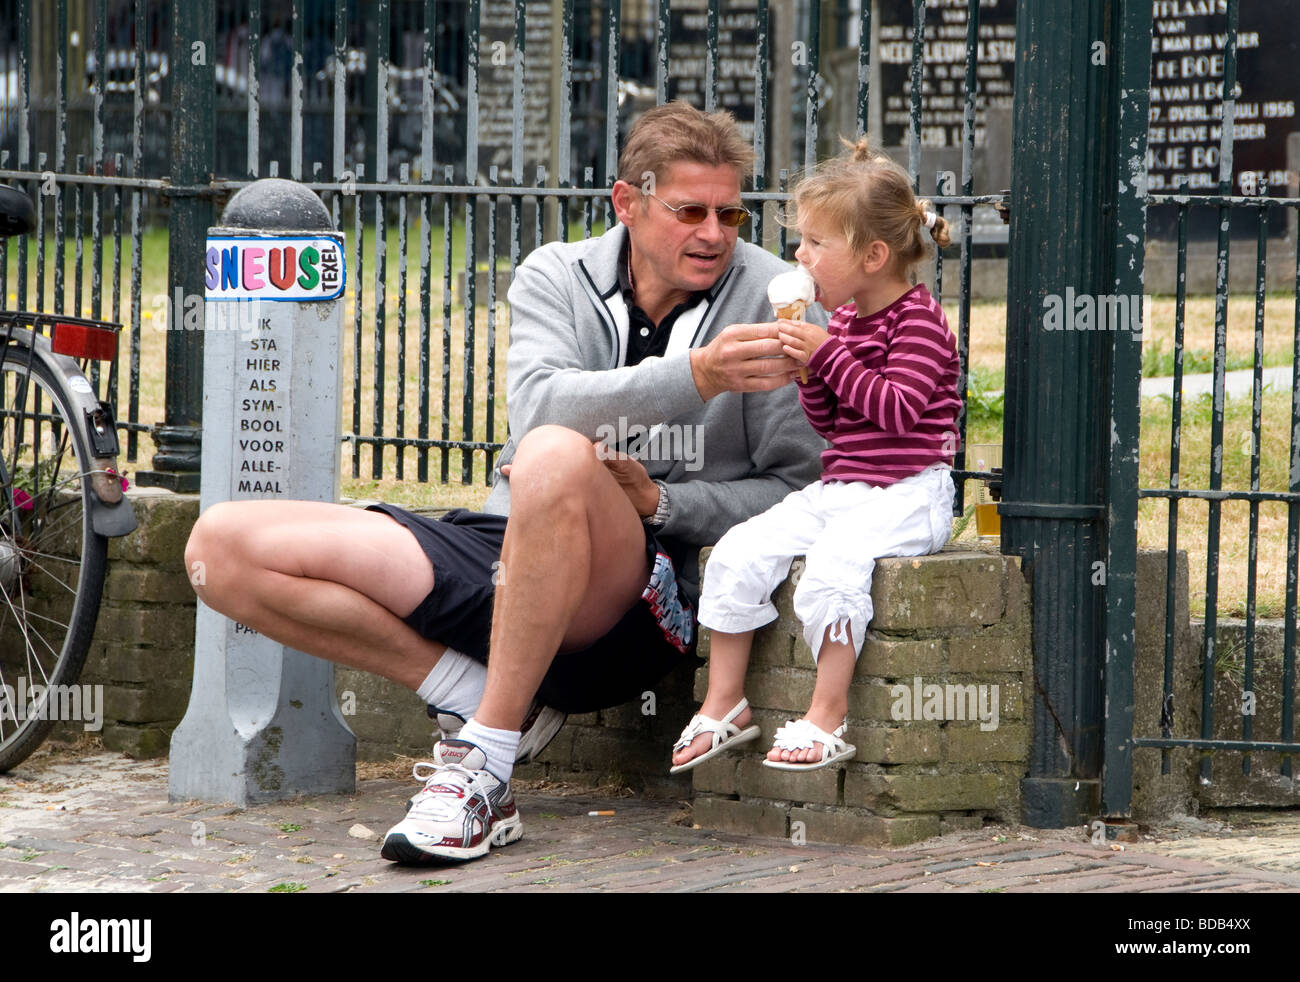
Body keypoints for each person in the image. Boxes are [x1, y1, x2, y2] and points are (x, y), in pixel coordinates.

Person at [184, 100, 823, 863]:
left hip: (637, 603)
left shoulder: (774, 296)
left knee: (553, 455)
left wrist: (664, 501)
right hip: (507, 547)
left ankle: (480, 764)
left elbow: (796, 490)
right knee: (222, 546)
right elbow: (539, 403)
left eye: (731, 213)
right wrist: (697, 375)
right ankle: (479, 700)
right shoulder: (556, 273)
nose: (714, 234)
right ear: (628, 200)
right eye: (690, 210)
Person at [668, 137, 961, 774]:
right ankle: (725, 704)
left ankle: (828, 712)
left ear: (874, 254)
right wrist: (810, 377)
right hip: (847, 486)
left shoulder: (920, 321)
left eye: (817, 244)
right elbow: (836, 426)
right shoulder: (848, 320)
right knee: (742, 547)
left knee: (837, 563)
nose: (801, 255)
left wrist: (826, 355)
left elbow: (896, 410)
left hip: (911, 490)